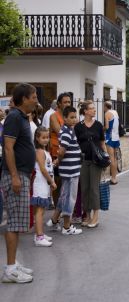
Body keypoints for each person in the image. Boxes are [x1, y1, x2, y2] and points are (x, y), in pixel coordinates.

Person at [1, 83, 37, 283]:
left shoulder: (22, 117)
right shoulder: (14, 117)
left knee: (17, 222)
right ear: (24, 99)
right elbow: (8, 148)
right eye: (33, 96)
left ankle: (13, 264)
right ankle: (10, 270)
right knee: (14, 223)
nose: (36, 100)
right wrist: (14, 176)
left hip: (22, 174)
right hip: (15, 176)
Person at [47, 107, 82, 235]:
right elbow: (62, 151)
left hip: (68, 169)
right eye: (71, 117)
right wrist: (59, 160)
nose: (74, 120)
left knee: (63, 196)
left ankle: (54, 220)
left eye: (75, 117)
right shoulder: (67, 131)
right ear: (65, 118)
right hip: (71, 171)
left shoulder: (66, 130)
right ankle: (67, 227)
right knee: (70, 198)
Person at [74, 101, 106, 228]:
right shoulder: (78, 126)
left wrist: (105, 159)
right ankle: (87, 215)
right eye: (91, 109)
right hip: (83, 160)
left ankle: (96, 216)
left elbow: (103, 143)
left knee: (94, 188)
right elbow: (75, 144)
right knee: (85, 188)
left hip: (96, 161)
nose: (94, 110)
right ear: (85, 111)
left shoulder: (98, 125)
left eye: (94, 108)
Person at [31, 126, 56, 246]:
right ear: (37, 138)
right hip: (40, 184)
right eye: (43, 137)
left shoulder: (44, 151)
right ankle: (39, 237)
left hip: (44, 184)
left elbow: (47, 167)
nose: (46, 140)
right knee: (40, 212)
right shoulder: (40, 152)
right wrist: (51, 181)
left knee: (41, 211)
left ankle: (39, 234)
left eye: (47, 137)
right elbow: (42, 169)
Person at [49, 93, 71, 208]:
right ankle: (57, 206)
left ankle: (65, 207)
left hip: (69, 153)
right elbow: (60, 132)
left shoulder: (71, 116)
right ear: (59, 104)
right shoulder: (53, 116)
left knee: (67, 182)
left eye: (69, 102)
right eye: (65, 102)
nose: (68, 104)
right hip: (56, 153)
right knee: (57, 181)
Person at [104, 101, 120, 185]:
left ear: (106, 107)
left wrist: (101, 129)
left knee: (111, 158)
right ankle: (115, 177)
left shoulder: (107, 113)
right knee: (115, 158)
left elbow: (107, 127)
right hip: (116, 138)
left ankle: (113, 179)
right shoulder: (115, 112)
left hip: (109, 138)